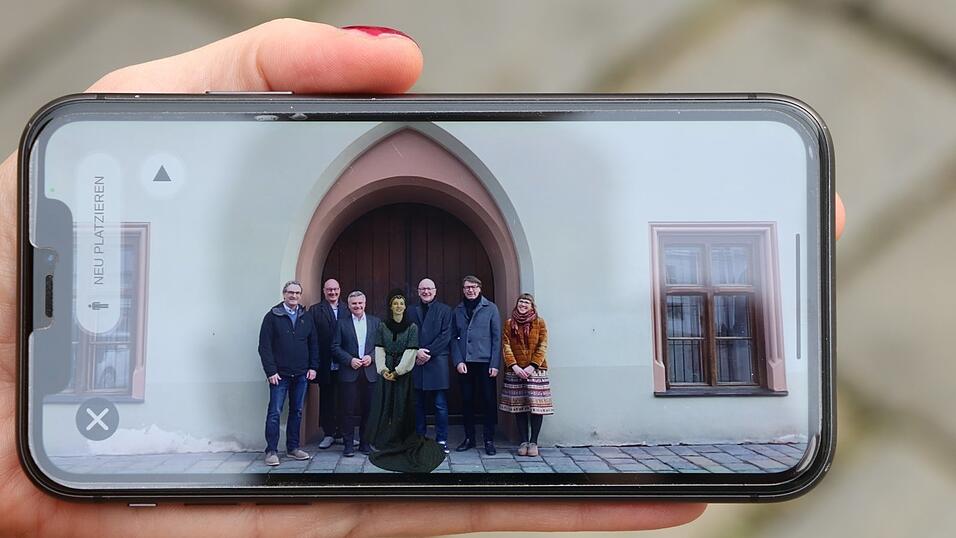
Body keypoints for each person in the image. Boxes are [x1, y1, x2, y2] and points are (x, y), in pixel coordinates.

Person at [6, 18, 864, 536]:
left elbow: (480, 328)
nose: (328, 295)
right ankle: (318, 446)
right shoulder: (314, 317)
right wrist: (360, 355)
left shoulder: (485, 313)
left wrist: (457, 350)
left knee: (464, 420)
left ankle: (465, 446)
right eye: (326, 292)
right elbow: (285, 337)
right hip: (343, 372)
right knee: (348, 418)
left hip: (459, 367)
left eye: (332, 292)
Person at [366, 290, 446, 472]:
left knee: (401, 405)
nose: (398, 306)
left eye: (401, 303)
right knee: (385, 405)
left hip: (403, 374)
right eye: (395, 303)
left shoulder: (412, 327)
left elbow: (411, 351)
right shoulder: (383, 326)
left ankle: (400, 438)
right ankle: (383, 439)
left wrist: (398, 371)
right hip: (386, 371)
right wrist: (383, 369)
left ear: (405, 306)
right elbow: (379, 348)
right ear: (390, 306)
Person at [258, 280, 319, 466]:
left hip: (301, 374)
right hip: (279, 375)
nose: (294, 296)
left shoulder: (306, 317)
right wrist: (271, 371)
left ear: (300, 295)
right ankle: (271, 451)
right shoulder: (272, 316)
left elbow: (313, 343)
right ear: (284, 294)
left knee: (297, 411)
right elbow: (264, 347)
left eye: (297, 293)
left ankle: (293, 448)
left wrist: (313, 367)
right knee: (274, 412)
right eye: (290, 292)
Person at [451, 275, 502, 455]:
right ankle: (469, 438)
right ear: (463, 290)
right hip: (465, 363)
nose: (470, 290)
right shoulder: (458, 310)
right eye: (467, 287)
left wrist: (495, 363)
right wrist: (458, 361)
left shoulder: (491, 308)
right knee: (467, 401)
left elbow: (497, 338)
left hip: (485, 363)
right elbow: (453, 338)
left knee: (488, 401)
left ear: (480, 288)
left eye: (473, 287)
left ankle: (488, 439)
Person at [499, 294, 553, 457]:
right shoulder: (509, 323)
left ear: (532, 306)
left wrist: (532, 366)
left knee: (536, 407)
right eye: (521, 302)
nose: (523, 305)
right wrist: (514, 366)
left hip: (536, 371)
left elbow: (543, 345)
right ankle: (523, 441)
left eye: (526, 302)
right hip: (515, 371)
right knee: (519, 406)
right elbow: (506, 346)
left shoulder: (539, 322)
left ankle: (533, 442)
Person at [406, 278, 453, 453]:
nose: (426, 292)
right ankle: (419, 439)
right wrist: (416, 351)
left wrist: (428, 353)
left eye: (429, 289)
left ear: (435, 291)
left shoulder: (445, 310)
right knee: (417, 405)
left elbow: (446, 335)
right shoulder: (410, 311)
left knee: (440, 405)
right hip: (416, 362)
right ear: (418, 291)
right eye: (423, 289)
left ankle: (441, 440)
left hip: (437, 362)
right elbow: (405, 333)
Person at [331, 290, 380, 457]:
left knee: (369, 409)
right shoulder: (341, 323)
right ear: (349, 305)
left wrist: (371, 357)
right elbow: (335, 347)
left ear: (365, 304)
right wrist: (349, 360)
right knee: (348, 410)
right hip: (349, 372)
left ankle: (365, 444)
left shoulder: (375, 322)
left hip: (369, 373)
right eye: (354, 304)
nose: (357, 306)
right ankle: (348, 445)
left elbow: (381, 345)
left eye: (360, 303)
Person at [310, 278, 350, 450]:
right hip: (325, 363)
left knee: (345, 399)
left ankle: (343, 434)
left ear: (340, 290)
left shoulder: (348, 309)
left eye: (335, 289)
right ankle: (328, 434)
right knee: (327, 399)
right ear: (324, 291)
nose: (332, 292)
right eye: (329, 290)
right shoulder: (315, 310)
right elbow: (312, 338)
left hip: (345, 363)